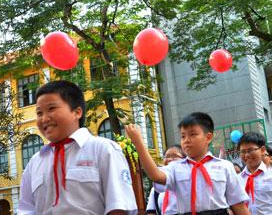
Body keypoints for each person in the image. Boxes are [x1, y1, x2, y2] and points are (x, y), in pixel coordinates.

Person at [18, 80, 137, 214]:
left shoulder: (104, 150)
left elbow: (118, 207)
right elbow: (26, 209)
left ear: (77, 112)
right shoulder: (35, 162)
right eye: (39, 113)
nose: (44, 119)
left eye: (51, 109)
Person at [126, 112, 250, 215]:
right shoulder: (175, 168)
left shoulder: (224, 166)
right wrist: (138, 143)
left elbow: (238, 204)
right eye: (183, 136)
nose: (186, 141)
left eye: (192, 134)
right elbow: (155, 175)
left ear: (208, 137)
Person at [146, 145, 185, 215]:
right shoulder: (156, 188)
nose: (169, 159)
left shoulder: (187, 182)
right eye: (167, 156)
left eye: (174, 156)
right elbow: (151, 212)